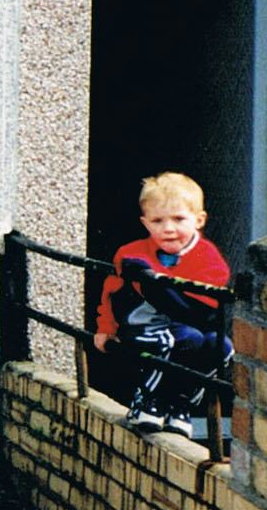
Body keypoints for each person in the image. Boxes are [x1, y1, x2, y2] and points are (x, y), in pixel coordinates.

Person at [94, 171, 232, 439]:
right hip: (143, 322)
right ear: (145, 223)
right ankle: (145, 401)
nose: (168, 228)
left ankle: (182, 404)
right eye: (158, 221)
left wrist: (159, 285)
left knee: (221, 347)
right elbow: (110, 292)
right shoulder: (131, 254)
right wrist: (105, 327)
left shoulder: (209, 257)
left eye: (179, 219)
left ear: (199, 220)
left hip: (186, 322)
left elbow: (205, 306)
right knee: (167, 341)